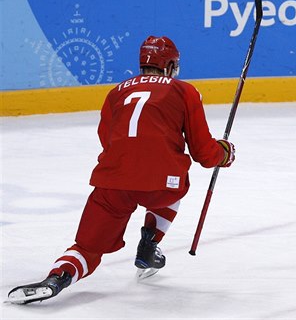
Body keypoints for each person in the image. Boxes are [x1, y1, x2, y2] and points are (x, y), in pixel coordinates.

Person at [7, 35, 236, 304]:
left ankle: (57, 278)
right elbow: (203, 153)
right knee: (174, 188)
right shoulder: (184, 91)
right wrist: (225, 153)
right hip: (162, 185)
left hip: (113, 182)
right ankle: (149, 245)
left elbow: (107, 137)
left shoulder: (117, 92)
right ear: (171, 65)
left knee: (87, 248)